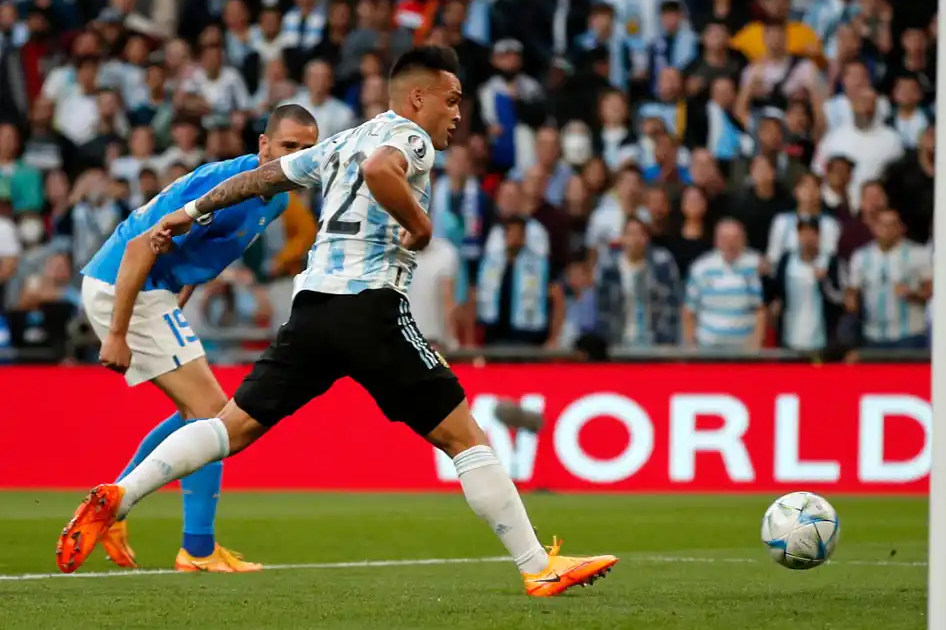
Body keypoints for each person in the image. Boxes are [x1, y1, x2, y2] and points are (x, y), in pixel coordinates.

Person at [58, 47, 617, 597]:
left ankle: (121, 495)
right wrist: (420, 224)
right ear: (416, 98)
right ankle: (538, 566)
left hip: (312, 311)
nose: (456, 114)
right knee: (463, 436)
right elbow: (381, 169)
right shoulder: (410, 137)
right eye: (450, 100)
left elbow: (259, 179)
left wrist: (187, 213)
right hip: (370, 307)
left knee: (231, 426)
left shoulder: (342, 141)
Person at [80, 103, 320, 572]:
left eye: (307, 149)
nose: (297, 157)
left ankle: (115, 505)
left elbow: (199, 254)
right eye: (288, 146)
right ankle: (196, 549)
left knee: (198, 415)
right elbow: (139, 246)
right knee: (213, 416)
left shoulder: (277, 198)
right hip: (124, 284)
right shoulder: (225, 188)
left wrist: (179, 298)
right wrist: (116, 334)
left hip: (153, 292)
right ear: (263, 146)